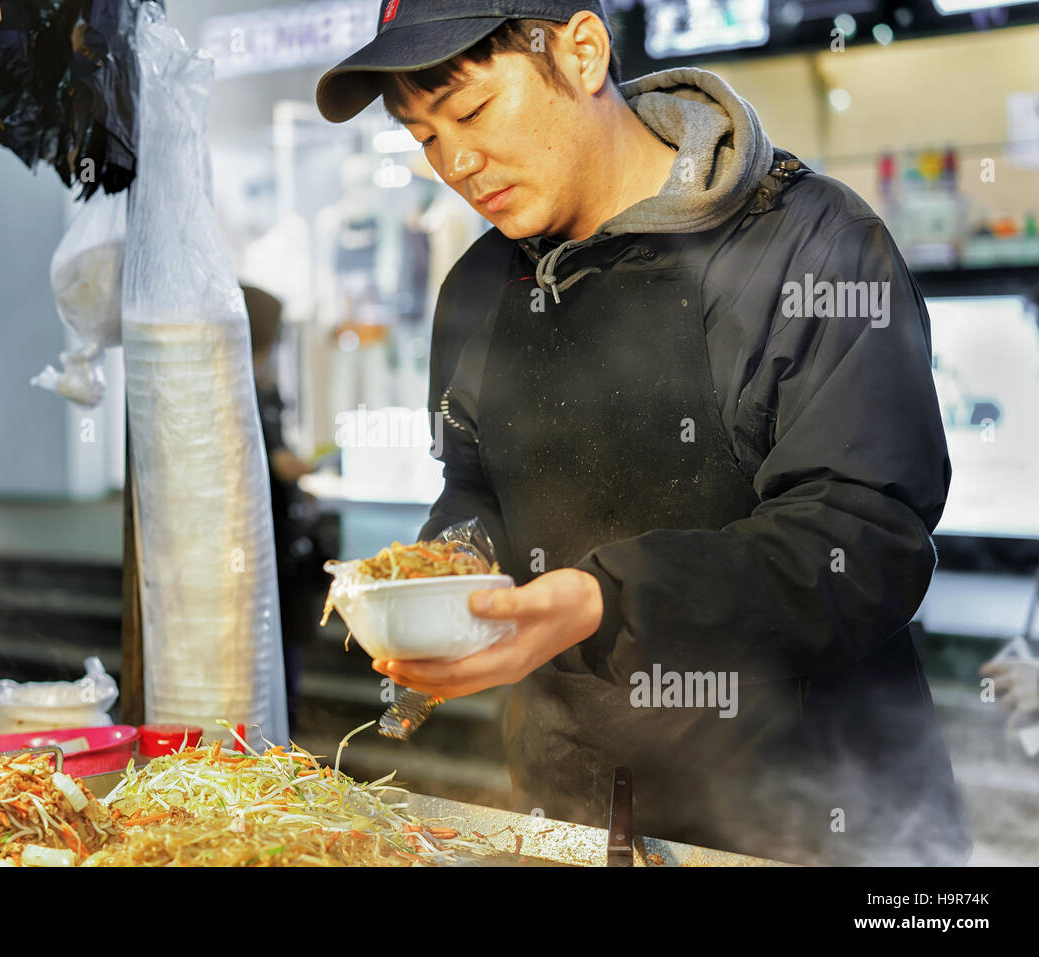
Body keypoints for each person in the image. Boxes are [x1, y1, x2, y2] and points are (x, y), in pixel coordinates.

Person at [316, 2, 970, 865]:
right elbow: (476, 483)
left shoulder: (812, 247)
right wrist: (444, 580)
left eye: (471, 111)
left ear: (583, 52)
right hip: (569, 819)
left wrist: (606, 597)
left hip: (810, 822)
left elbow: (864, 538)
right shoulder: (478, 285)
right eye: (424, 136)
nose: (457, 164)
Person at [242, 285, 323, 732]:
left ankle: (281, 740)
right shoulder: (249, 390)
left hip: (278, 545)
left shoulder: (258, 386)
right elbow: (274, 461)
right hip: (270, 549)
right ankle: (279, 743)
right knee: (278, 658)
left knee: (284, 657)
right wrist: (305, 466)